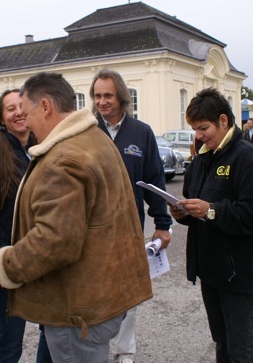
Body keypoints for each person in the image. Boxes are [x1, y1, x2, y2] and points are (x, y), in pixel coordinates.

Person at [0, 72, 152, 362]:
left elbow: (56, 239)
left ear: (45, 107)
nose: (26, 122)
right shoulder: (95, 139)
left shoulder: (62, 158)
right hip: (101, 298)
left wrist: (8, 265)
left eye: (27, 112)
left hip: (77, 309)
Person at [168, 88, 253, 363]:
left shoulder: (249, 159)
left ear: (223, 121)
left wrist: (211, 210)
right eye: (194, 129)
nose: (198, 135)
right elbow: (198, 210)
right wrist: (183, 213)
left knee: (240, 352)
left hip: (241, 274)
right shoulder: (200, 161)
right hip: (212, 271)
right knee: (222, 344)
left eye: (203, 128)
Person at [89, 68, 171, 363]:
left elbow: (154, 181)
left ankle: (124, 350)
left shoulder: (141, 133)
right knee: (94, 293)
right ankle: (96, 350)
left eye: (108, 95)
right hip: (92, 232)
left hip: (130, 229)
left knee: (129, 294)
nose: (102, 101)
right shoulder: (86, 131)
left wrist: (163, 224)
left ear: (121, 97)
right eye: (97, 96)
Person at [0, 89, 51, 363]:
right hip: (8, 263)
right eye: (10, 108)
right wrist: (3, 257)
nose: (18, 113)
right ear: (1, 118)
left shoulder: (43, 150)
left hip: (42, 259)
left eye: (21, 106)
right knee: (10, 341)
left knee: (51, 332)